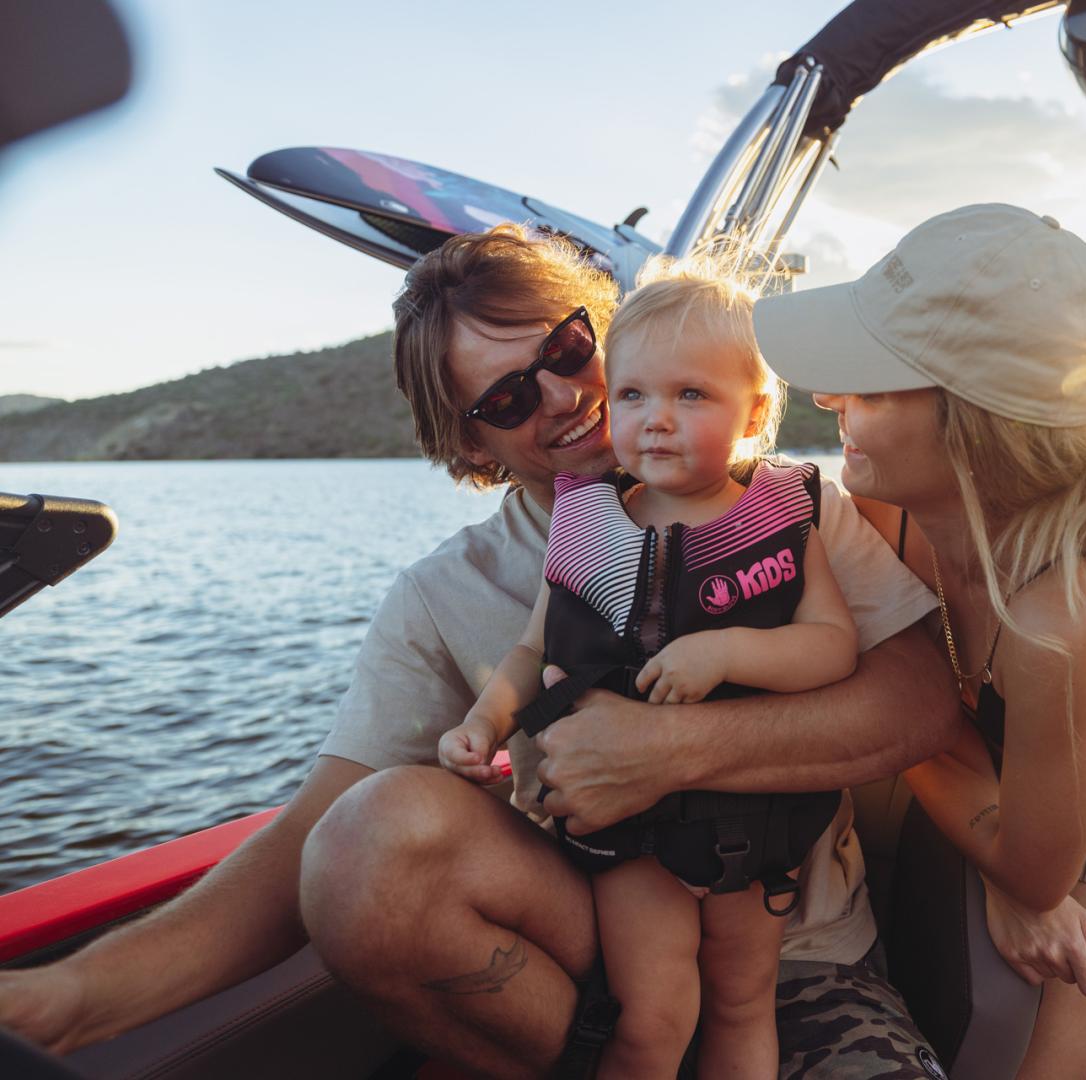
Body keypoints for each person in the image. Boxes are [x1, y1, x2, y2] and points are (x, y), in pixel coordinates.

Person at [0, 224, 959, 1080]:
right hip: (594, 972)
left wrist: (670, 749)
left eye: (567, 349)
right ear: (474, 446)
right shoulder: (441, 594)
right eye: (505, 395)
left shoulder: (786, 508)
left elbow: (919, 703)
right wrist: (68, 1001)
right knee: (367, 840)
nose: (562, 395)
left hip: (797, 961)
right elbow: (311, 840)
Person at [753, 203, 1086, 1077]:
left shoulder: (1071, 620)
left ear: (972, 425)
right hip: (978, 744)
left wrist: (1007, 868)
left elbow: (1034, 873)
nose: (827, 398)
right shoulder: (883, 503)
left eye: (870, 383)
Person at [437, 263, 858, 1079]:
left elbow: (831, 646)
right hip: (631, 842)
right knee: (652, 1017)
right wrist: (481, 724)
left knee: (741, 1002)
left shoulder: (782, 519)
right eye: (632, 396)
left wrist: (727, 650)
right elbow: (533, 652)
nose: (656, 421)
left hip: (753, 833)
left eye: (691, 396)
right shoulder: (587, 526)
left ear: (755, 411)